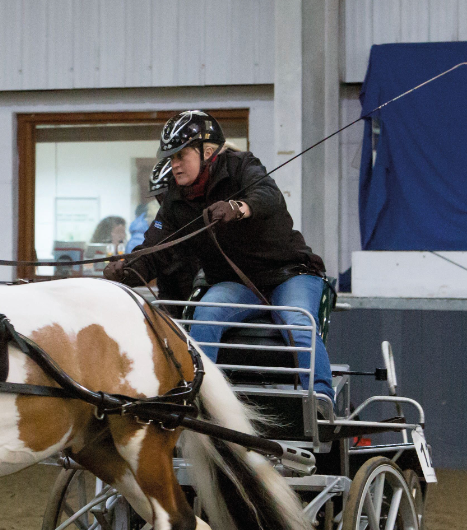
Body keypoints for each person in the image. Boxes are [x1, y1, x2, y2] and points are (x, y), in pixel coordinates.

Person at [103, 110, 333, 400]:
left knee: (298, 321)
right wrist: (126, 270)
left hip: (290, 274)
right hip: (235, 284)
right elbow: (157, 249)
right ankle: (202, 399)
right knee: (205, 317)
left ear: (208, 152)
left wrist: (238, 208)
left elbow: (268, 196)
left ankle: (321, 400)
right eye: (170, 158)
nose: (174, 165)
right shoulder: (175, 198)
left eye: (181, 156)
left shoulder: (241, 165)